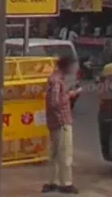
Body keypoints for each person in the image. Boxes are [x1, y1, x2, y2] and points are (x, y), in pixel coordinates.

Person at [43, 55, 81, 194]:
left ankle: (53, 181)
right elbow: (54, 102)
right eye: (74, 66)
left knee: (54, 153)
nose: (75, 69)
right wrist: (71, 95)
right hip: (61, 122)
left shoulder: (55, 80)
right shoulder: (57, 81)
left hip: (54, 122)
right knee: (64, 153)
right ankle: (66, 183)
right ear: (67, 66)